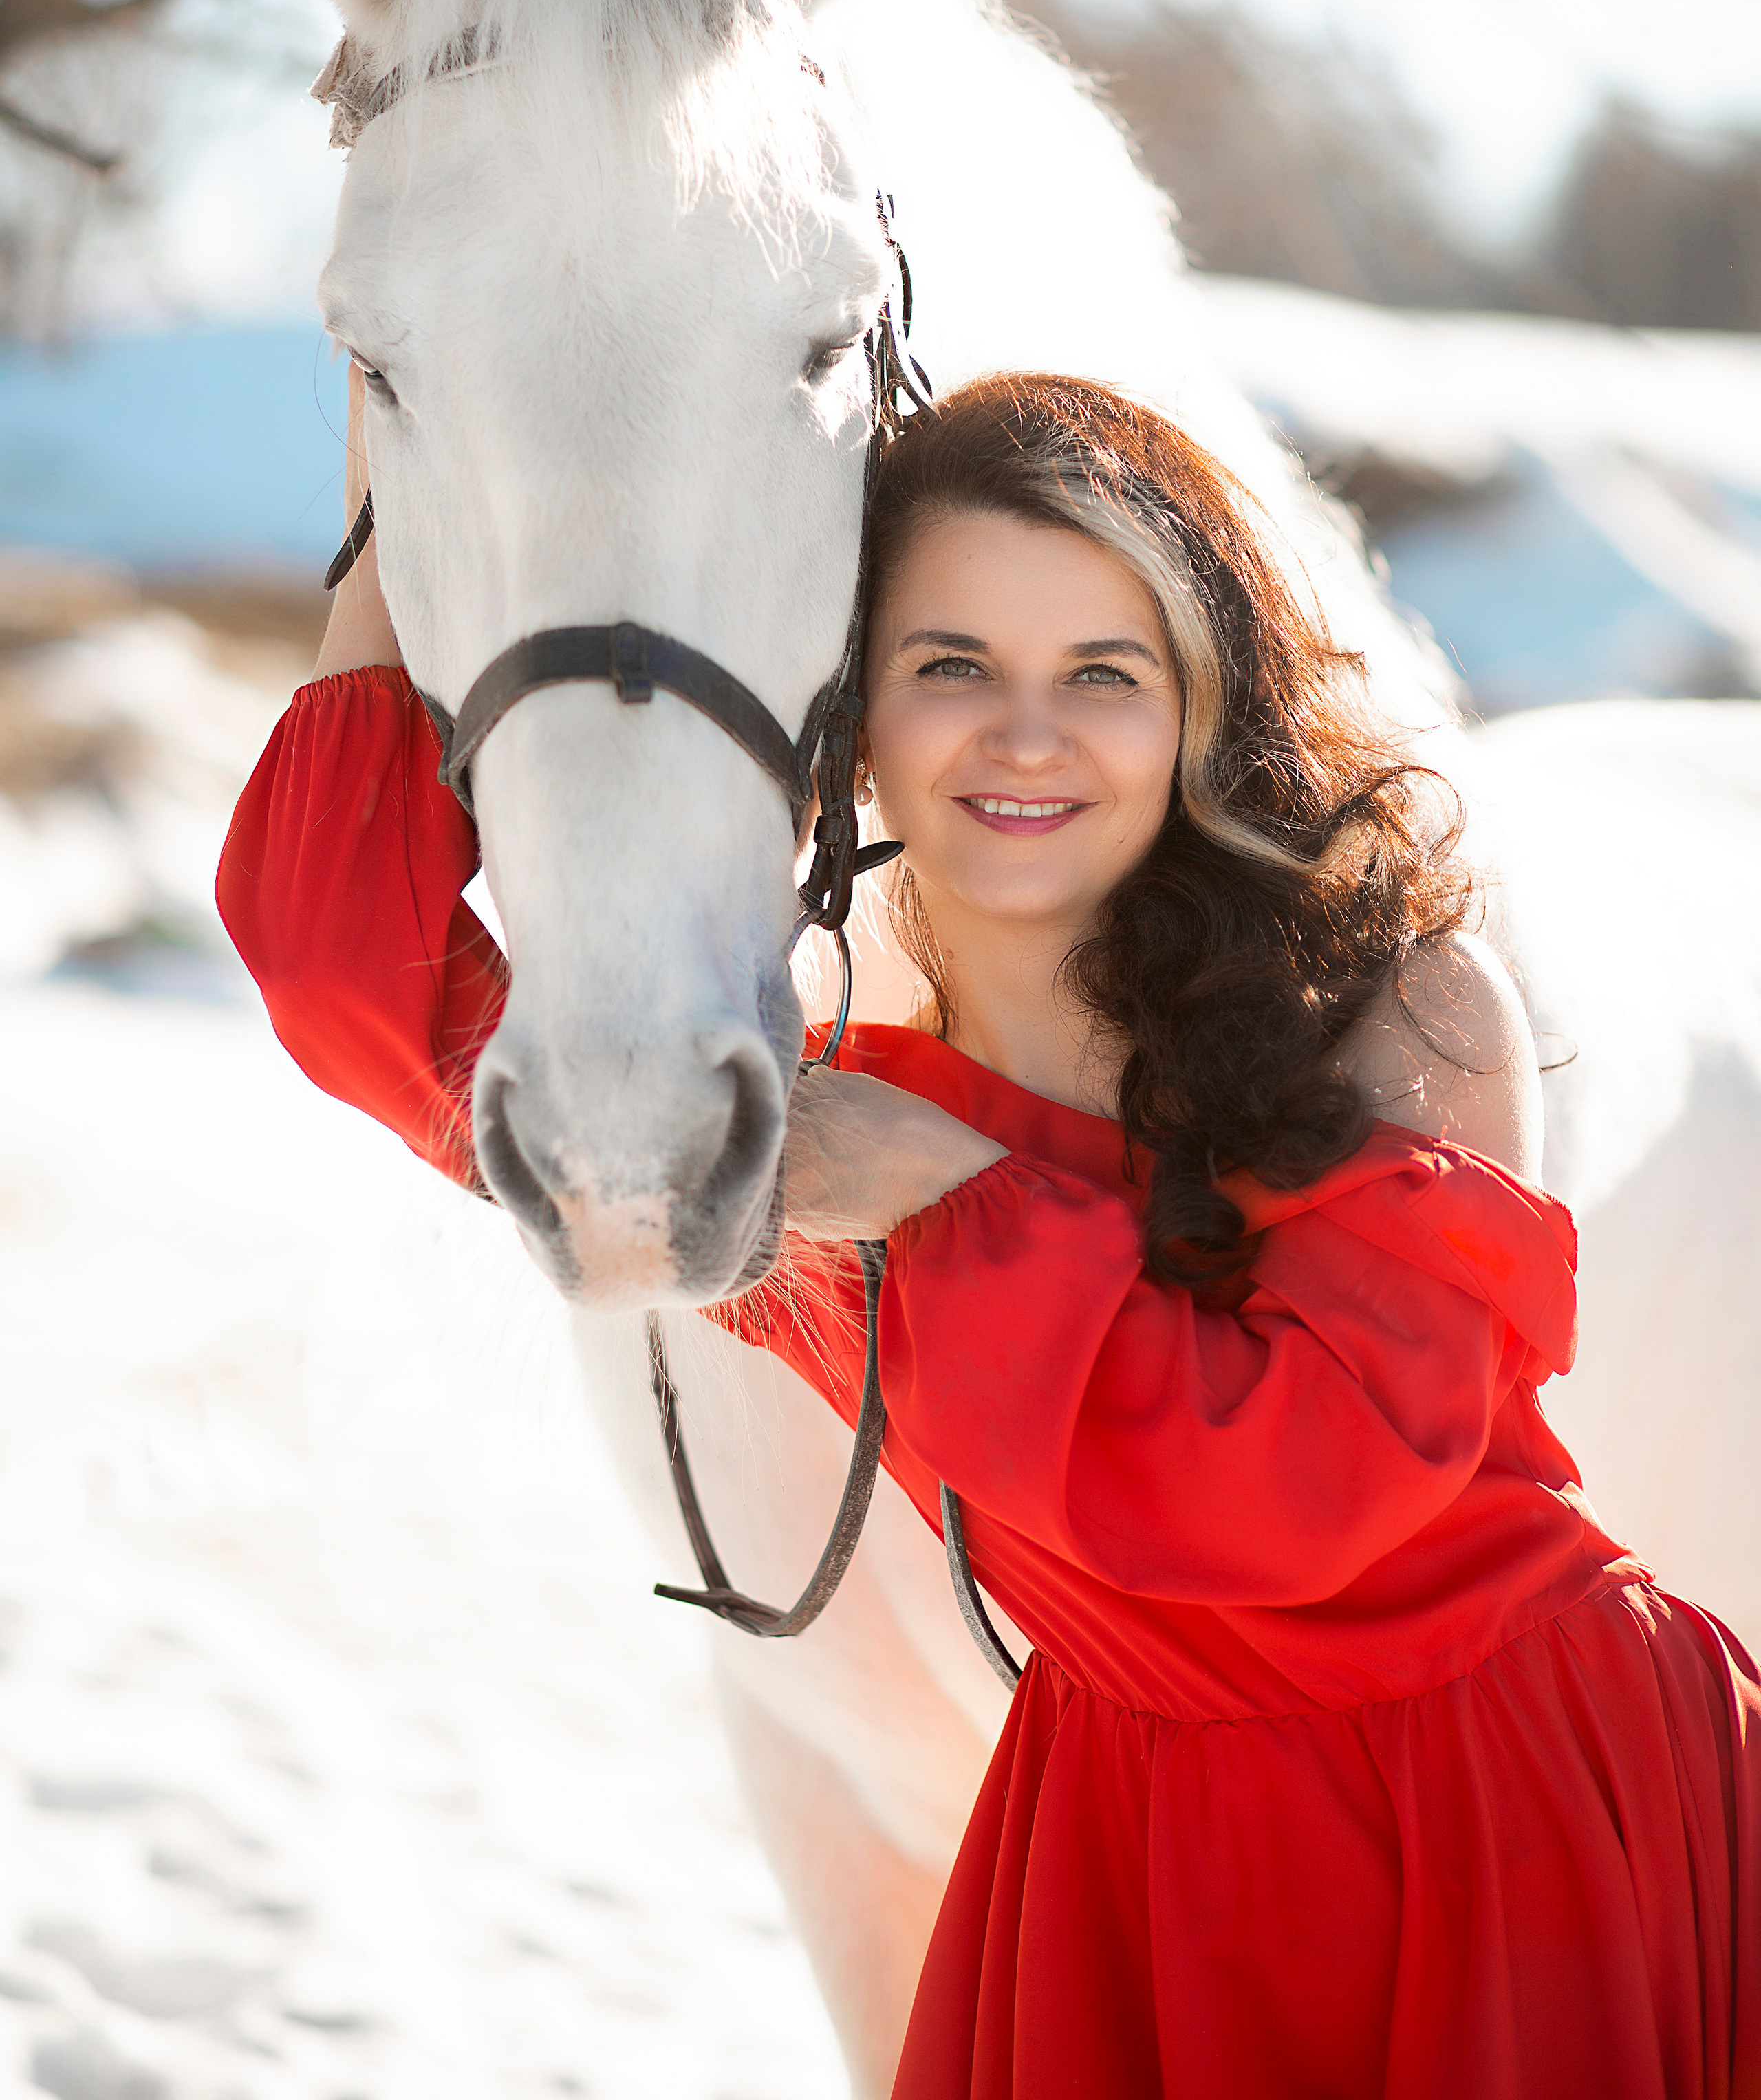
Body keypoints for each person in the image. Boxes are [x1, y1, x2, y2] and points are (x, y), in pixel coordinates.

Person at [219, 367, 1760, 2100]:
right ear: (847, 715)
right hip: (1125, 1849)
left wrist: (945, 1203)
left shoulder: (1395, 1005)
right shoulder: (830, 1120)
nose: (1024, 736)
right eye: (950, 665)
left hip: (1509, 1816)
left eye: (1101, 674)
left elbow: (1301, 1490)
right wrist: (384, 487)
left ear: (1197, 701)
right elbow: (351, 966)